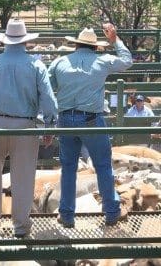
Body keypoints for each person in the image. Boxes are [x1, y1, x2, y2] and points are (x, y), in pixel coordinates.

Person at [0, 19, 57, 238]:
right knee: (23, 177)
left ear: (5, 41)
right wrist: (49, 126)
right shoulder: (36, 65)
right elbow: (48, 100)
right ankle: (20, 228)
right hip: (24, 125)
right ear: (25, 42)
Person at [48, 23, 133, 227]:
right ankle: (112, 211)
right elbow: (127, 61)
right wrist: (115, 40)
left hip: (65, 120)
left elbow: (48, 89)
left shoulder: (60, 63)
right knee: (103, 165)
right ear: (96, 47)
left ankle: (67, 215)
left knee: (68, 168)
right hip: (92, 120)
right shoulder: (102, 61)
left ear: (76, 45)